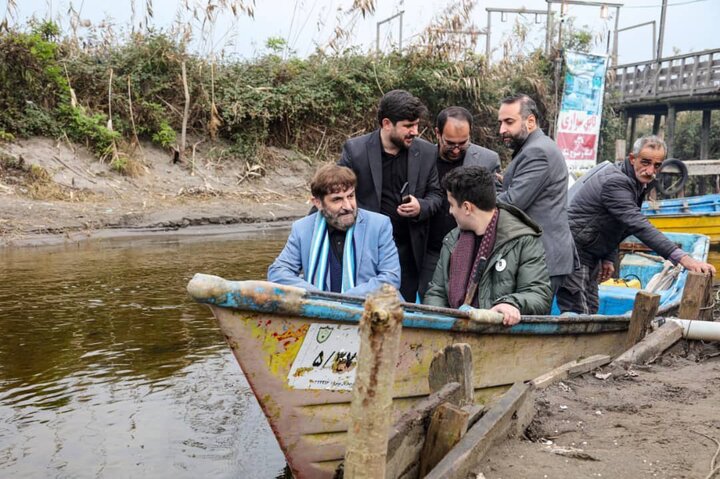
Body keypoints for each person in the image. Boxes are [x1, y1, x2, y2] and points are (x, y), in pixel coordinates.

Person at [557, 135, 716, 314]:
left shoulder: (635, 180)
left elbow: (615, 221)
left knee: (591, 305)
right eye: (645, 162)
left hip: (591, 249)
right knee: (577, 309)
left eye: (656, 165)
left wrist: (608, 256)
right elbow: (637, 223)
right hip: (574, 250)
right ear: (633, 159)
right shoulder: (616, 182)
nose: (650, 170)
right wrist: (683, 258)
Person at [338, 89, 443, 302]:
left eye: (416, 125)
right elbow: (336, 192)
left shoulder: (427, 152)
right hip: (364, 246)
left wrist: (420, 206)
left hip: (408, 251)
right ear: (387, 124)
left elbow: (436, 195)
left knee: (401, 312)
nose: (415, 131)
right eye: (408, 126)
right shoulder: (355, 150)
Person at [423, 166, 552, 325]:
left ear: (466, 207)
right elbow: (436, 293)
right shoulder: (452, 240)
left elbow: (539, 295)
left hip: (501, 339)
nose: (450, 211)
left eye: (451, 204)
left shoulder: (522, 240)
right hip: (453, 335)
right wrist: (443, 324)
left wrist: (510, 303)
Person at [267, 164, 401, 296]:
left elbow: (391, 278)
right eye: (337, 200)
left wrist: (346, 300)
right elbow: (277, 272)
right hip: (321, 309)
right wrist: (319, 297)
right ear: (318, 203)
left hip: (371, 311)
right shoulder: (302, 228)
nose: (348, 206)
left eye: (350, 196)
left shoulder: (380, 225)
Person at [419, 106, 501, 299]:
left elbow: (494, 205)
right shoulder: (422, 157)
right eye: (450, 143)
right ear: (437, 133)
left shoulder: (487, 160)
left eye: (463, 143)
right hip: (429, 250)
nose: (456, 149)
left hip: (468, 247)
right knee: (430, 300)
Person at [497, 93, 576, 294]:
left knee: (528, 320)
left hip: (543, 258)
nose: (502, 130)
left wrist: (478, 199)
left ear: (530, 121)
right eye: (501, 123)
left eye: (509, 122)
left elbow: (512, 202)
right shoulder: (534, 147)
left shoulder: (537, 151)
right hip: (541, 257)